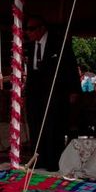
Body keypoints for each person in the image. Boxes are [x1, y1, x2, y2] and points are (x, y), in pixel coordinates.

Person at [24, 15, 79, 171]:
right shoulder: (31, 46)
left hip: (55, 91)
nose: (28, 32)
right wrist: (25, 94)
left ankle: (52, 161)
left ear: (42, 28)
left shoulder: (59, 43)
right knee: (35, 125)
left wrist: (74, 90)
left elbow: (71, 66)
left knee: (53, 126)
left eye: (32, 29)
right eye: (27, 29)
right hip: (35, 93)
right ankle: (38, 159)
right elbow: (31, 72)